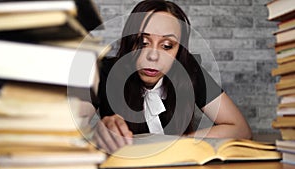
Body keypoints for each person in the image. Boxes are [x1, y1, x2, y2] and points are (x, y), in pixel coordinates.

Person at [91, 0, 252, 153]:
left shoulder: (189, 70)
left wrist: (181, 143)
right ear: (129, 43)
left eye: (167, 46)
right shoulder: (104, 71)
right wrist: (97, 132)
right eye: (143, 42)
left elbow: (241, 129)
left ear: (178, 52)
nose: (153, 56)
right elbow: (69, 130)